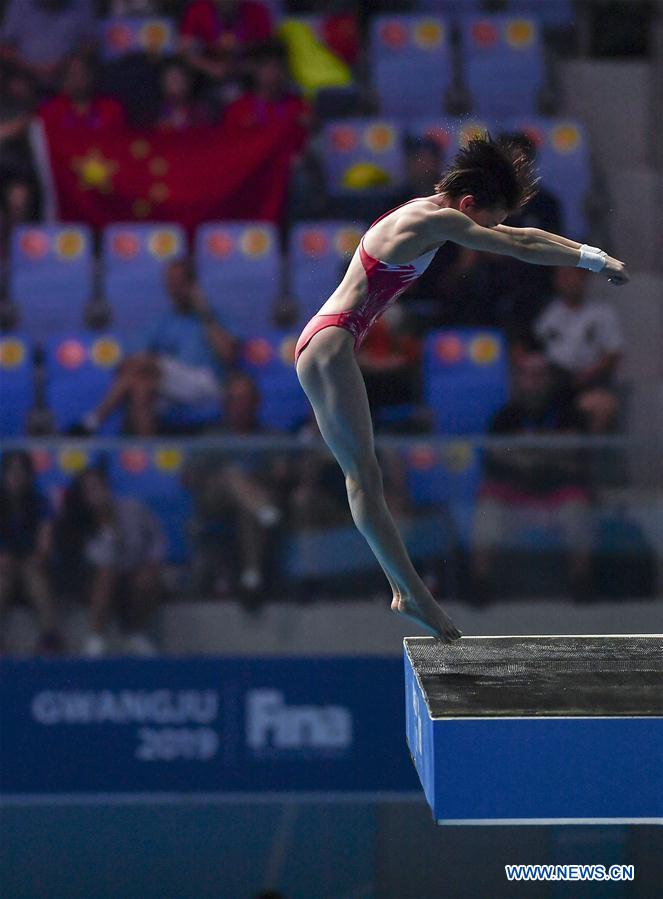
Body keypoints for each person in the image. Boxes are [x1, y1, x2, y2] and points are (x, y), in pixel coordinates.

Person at [294, 132, 628, 641]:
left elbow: (514, 235)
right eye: (487, 221)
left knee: (365, 476)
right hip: (334, 341)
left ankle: (406, 590)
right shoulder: (437, 218)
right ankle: (407, 591)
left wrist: (590, 255)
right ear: (467, 204)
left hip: (324, 340)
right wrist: (593, 259)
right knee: (363, 477)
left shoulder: (423, 209)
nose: (490, 232)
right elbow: (521, 244)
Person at [472, 351, 593, 601]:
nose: (534, 381)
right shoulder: (504, 417)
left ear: (549, 379)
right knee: (487, 506)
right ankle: (480, 584)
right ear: (519, 379)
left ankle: (581, 584)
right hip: (514, 494)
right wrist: (548, 450)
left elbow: (574, 450)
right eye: (528, 375)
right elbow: (496, 454)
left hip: (556, 493)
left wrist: (523, 449)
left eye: (540, 375)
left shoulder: (567, 413)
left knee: (578, 508)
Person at [71, 258, 236, 436]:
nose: (174, 290)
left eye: (178, 283)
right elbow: (128, 362)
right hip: (172, 389)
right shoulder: (164, 322)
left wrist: (204, 313)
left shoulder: (215, 316)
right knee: (140, 388)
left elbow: (228, 355)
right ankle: (147, 458)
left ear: (192, 284)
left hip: (207, 384)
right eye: (170, 284)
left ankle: (93, 420)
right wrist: (139, 366)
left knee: (146, 365)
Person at [189, 372, 286, 605]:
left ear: (256, 403)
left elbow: (283, 472)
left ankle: (251, 575)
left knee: (247, 509)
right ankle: (263, 511)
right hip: (215, 500)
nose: (239, 406)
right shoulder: (212, 437)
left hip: (256, 498)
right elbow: (189, 475)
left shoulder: (270, 437)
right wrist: (216, 477)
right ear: (225, 404)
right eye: (234, 399)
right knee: (232, 475)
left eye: (245, 399)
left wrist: (254, 478)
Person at [54, 466, 166, 657]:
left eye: (99, 487)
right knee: (107, 574)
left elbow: (157, 538)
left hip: (134, 574)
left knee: (147, 578)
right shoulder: (83, 526)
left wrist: (152, 562)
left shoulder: (134, 508)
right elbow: (103, 561)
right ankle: (95, 638)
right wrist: (108, 527)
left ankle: (134, 632)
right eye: (90, 490)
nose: (98, 494)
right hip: (95, 583)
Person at [534, 266, 623, 432]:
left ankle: (588, 456)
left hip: (588, 383)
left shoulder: (602, 313)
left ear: (584, 278)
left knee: (602, 406)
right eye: (563, 276)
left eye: (572, 276)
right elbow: (538, 347)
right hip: (555, 382)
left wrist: (588, 374)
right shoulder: (549, 313)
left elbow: (613, 354)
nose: (568, 281)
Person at [0, 451, 64, 655]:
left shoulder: (40, 503)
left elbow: (44, 543)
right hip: (5, 568)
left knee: (34, 576)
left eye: (21, 471)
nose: (15, 476)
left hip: (32, 566)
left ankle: (50, 638)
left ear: (29, 475)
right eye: (10, 471)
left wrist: (37, 557)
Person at [0, 0, 97, 91]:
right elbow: (4, 47)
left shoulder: (82, 3)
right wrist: (32, 68)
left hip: (67, 75)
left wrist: (65, 64)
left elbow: (90, 43)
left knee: (81, 78)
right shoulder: (20, 4)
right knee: (16, 86)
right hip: (25, 75)